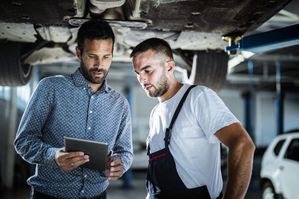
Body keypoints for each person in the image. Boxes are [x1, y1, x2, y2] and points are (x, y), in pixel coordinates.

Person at [14, 20, 133, 199]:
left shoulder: (120, 103)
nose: (100, 65)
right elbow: (23, 141)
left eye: (106, 56)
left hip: (98, 195)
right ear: (79, 53)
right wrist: (53, 156)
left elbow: (125, 152)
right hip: (49, 195)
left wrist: (119, 164)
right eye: (92, 56)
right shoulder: (50, 88)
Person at [130, 38, 255, 199]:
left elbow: (243, 145)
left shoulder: (197, 97)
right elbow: (157, 179)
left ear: (169, 66)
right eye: (138, 73)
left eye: (147, 70)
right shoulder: (156, 113)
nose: (142, 79)